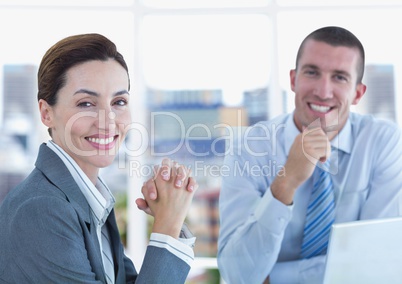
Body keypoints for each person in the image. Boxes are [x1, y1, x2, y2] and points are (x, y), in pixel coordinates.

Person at [0, 33, 198, 283]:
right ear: (46, 113)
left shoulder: (88, 199)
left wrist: (172, 217)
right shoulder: (42, 209)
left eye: (119, 101)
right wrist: (167, 226)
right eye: (85, 103)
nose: (108, 121)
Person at [217, 26, 402, 284]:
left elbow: (379, 265)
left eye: (339, 77)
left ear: (358, 93)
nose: (323, 91)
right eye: (312, 72)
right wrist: (286, 182)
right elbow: (238, 275)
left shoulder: (382, 142)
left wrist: (277, 277)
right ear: (293, 80)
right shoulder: (249, 148)